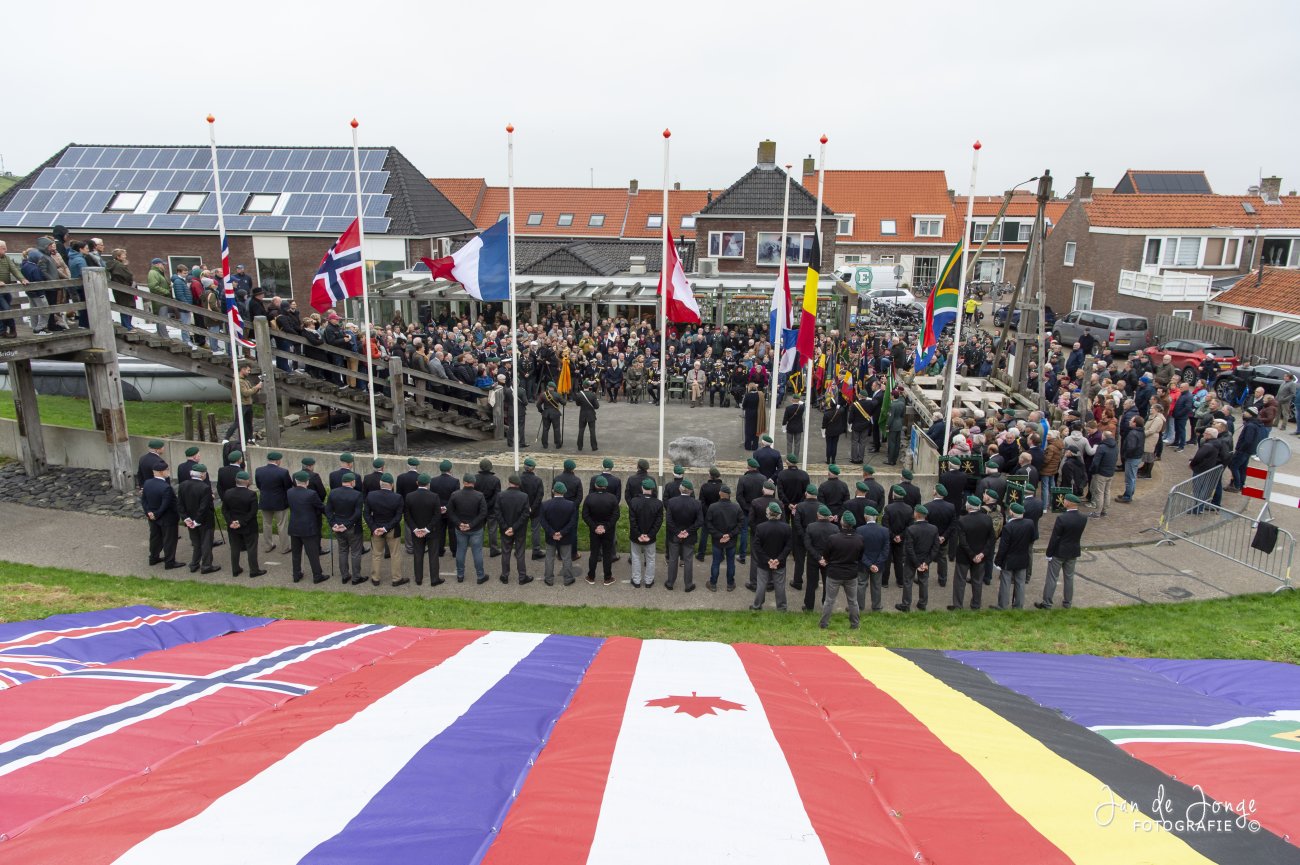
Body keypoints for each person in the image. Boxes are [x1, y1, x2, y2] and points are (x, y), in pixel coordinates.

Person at [1036, 493, 1087, 610]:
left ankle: (1047, 603)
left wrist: (1049, 553)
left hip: (1059, 552)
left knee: (1052, 577)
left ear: (1068, 503)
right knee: (1069, 578)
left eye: (1065, 500)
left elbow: (1055, 538)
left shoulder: (1062, 518)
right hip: (1073, 551)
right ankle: (1068, 602)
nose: (1063, 502)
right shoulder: (1083, 518)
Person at [819, 511, 865, 630]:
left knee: (829, 601)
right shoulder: (860, 539)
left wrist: (828, 560)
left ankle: (824, 624)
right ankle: (855, 624)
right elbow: (860, 556)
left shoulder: (833, 538)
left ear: (842, 522)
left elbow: (826, 555)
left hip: (834, 574)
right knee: (853, 601)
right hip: (851, 574)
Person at [949, 496, 992, 611]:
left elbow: (963, 542)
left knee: (960, 581)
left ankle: (958, 605)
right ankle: (976, 605)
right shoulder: (987, 519)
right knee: (977, 581)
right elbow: (991, 539)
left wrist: (972, 555)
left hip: (964, 556)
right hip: (981, 556)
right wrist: (982, 554)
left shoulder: (962, 520)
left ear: (968, 506)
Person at [750, 502, 793, 612]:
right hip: (780, 563)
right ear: (779, 514)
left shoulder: (760, 528)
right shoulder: (787, 528)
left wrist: (767, 560)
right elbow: (788, 547)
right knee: (780, 586)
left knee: (761, 585)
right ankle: (782, 608)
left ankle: (757, 606)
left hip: (764, 563)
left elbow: (756, 546)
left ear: (768, 513)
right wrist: (778, 559)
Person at [287, 471, 328, 584]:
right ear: (307, 482)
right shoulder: (311, 494)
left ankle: (296, 574)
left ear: (296, 481)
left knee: (296, 553)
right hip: (308, 528)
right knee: (312, 553)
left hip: (294, 527)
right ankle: (317, 575)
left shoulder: (289, 492)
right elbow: (320, 507)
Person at [178, 464, 220, 575]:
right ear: (202, 475)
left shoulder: (182, 485)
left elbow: (180, 505)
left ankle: (194, 563)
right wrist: (197, 521)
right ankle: (206, 565)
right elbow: (204, 507)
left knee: (196, 543)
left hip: (190, 521)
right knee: (206, 543)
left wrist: (186, 519)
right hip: (204, 521)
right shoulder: (204, 488)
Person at [365, 473, 406, 586]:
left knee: (376, 554)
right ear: (392, 485)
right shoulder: (397, 497)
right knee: (395, 554)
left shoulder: (371, 495)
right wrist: (386, 528)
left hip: (376, 529)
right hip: (392, 529)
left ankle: (375, 578)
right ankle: (396, 579)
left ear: (380, 484)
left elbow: (366, 514)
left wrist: (374, 528)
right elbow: (398, 517)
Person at [222, 471, 265, 578]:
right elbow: (252, 512)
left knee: (235, 548)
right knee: (251, 548)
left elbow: (224, 510)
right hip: (248, 526)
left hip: (232, 526)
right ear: (246, 482)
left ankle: (235, 569)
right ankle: (254, 570)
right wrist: (241, 522)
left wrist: (231, 521)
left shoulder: (228, 493)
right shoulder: (251, 494)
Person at [994, 502, 1036, 610]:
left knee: (1005, 583)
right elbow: (1032, 538)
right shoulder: (1030, 523)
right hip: (1023, 558)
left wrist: (998, 561)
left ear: (1012, 512)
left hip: (1009, 560)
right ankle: (1018, 606)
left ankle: (1002, 606)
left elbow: (1003, 547)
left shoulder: (1008, 527)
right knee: (1020, 583)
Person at [326, 472, 365, 585]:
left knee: (342, 551)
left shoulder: (333, 493)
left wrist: (333, 524)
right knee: (355, 552)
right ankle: (356, 577)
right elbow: (357, 514)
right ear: (352, 482)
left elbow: (328, 510)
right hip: (353, 528)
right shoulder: (357, 495)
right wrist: (347, 525)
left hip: (338, 527)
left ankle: (345, 575)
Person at [447, 474, 488, 584]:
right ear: (473, 483)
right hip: (476, 529)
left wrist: (459, 523)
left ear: (464, 482)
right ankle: (480, 576)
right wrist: (471, 524)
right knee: (477, 552)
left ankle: (460, 575)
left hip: (460, 529)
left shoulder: (455, 495)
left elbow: (450, 511)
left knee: (460, 550)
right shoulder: (479, 495)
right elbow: (483, 513)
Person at [142, 460, 183, 569]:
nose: (168, 471)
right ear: (161, 472)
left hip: (152, 517)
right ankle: (170, 562)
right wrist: (157, 513)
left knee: (155, 538)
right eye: (167, 470)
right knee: (169, 540)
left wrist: (149, 512)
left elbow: (144, 500)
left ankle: (153, 557)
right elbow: (166, 504)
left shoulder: (147, 483)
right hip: (167, 518)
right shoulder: (166, 487)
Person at [897, 505, 939, 612]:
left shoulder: (911, 529)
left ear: (917, 514)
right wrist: (926, 562)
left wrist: (917, 564)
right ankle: (922, 604)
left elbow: (909, 549)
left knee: (907, 582)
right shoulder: (934, 529)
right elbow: (935, 547)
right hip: (925, 560)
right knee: (924, 582)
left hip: (912, 561)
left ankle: (906, 605)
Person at [404, 474, 443, 587]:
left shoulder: (409, 496)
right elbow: (437, 515)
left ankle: (418, 579)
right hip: (432, 531)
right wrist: (427, 529)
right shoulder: (434, 496)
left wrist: (415, 529)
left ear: (417, 483)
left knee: (418, 554)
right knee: (433, 555)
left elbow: (407, 515)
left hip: (416, 532)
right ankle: (434, 579)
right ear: (428, 484)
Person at [664, 478, 702, 592]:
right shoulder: (696, 503)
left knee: (673, 559)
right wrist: (688, 532)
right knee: (688, 560)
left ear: (680, 489)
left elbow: (669, 521)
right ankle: (688, 584)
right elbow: (700, 521)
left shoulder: (672, 502)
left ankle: (670, 583)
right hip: (689, 537)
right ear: (690, 491)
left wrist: (677, 532)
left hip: (675, 536)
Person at [582, 475, 620, 586]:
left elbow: (585, 515)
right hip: (608, 531)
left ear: (596, 485)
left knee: (594, 553)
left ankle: (591, 576)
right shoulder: (612, 498)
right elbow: (616, 515)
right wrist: (606, 527)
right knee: (607, 554)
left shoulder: (589, 498)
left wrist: (595, 527)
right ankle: (607, 577)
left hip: (594, 531)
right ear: (606, 486)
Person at [627, 477, 664, 588]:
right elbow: (658, 522)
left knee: (636, 557)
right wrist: (650, 535)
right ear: (652, 489)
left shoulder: (634, 501)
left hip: (636, 537)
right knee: (651, 559)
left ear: (642, 488)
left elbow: (632, 520)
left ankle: (636, 580)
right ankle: (648, 581)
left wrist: (639, 534)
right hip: (650, 538)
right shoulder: (658, 503)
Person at [497, 474, 533, 585]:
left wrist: (506, 528)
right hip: (519, 530)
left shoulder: (501, 495)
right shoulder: (524, 496)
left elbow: (498, 513)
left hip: (505, 530)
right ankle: (522, 577)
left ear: (509, 482)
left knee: (506, 552)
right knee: (520, 553)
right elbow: (525, 514)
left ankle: (504, 576)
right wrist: (514, 527)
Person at [705, 484, 742, 591]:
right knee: (731, 562)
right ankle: (730, 584)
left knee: (716, 561)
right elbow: (740, 524)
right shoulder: (736, 507)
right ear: (729, 495)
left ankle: (713, 584)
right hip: (731, 540)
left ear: (720, 494)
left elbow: (708, 524)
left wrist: (720, 535)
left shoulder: (713, 507)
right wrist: (729, 535)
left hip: (717, 540)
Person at [540, 481, 578, 586]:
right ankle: (568, 578)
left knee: (549, 558)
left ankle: (548, 579)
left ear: (553, 491)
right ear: (564, 492)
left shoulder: (545, 504)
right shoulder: (571, 505)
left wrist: (552, 533)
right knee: (566, 558)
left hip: (550, 537)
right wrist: (561, 533)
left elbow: (543, 521)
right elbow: (572, 522)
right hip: (565, 537)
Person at [254, 452, 293, 552]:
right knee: (282, 525)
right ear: (278, 460)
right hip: (280, 502)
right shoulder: (283, 472)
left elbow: (259, 485)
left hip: (265, 501)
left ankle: (268, 545)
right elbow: (288, 486)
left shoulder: (259, 471)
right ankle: (284, 547)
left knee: (266, 524)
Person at [855, 506, 889, 612]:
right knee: (877, 585)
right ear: (876, 517)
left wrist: (869, 564)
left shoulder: (859, 530)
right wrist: (877, 564)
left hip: (863, 564)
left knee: (861, 584)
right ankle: (876, 606)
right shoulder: (884, 530)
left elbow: (859, 550)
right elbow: (885, 550)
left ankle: (859, 606)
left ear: (865, 517)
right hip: (878, 565)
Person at [1227, 406, 1268, 493]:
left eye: (1246, 412)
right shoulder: (1256, 424)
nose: (1243, 413)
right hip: (1249, 450)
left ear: (1251, 414)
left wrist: (1240, 449)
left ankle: (1236, 485)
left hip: (1243, 450)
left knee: (1233, 466)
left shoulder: (1250, 426)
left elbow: (1247, 440)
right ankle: (1241, 485)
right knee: (1242, 468)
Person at [925, 486, 956, 589]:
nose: (932, 490)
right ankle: (942, 579)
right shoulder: (951, 507)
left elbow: (926, 524)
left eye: (933, 489)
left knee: (927, 556)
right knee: (942, 558)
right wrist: (943, 536)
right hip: (943, 539)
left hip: (930, 538)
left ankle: (924, 577)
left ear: (935, 492)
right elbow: (952, 524)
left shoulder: (927, 506)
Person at [430, 459, 460, 560]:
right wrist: (446, 507)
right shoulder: (455, 481)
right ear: (450, 469)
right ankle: (455, 551)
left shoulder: (433, 481)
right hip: (450, 510)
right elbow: (455, 497)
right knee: (452, 531)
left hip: (438, 510)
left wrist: (440, 507)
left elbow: (433, 496)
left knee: (440, 531)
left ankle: (440, 550)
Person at [474, 458, 502, 558]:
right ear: (490, 468)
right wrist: (488, 505)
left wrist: (481, 505)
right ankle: (493, 549)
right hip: (491, 509)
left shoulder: (475, 478)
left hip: (479, 508)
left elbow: (473, 494)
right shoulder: (496, 480)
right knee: (492, 530)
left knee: (479, 530)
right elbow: (497, 496)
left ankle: (477, 549)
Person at [518, 458, 545, 561]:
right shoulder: (538, 480)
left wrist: (525, 507)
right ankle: (536, 551)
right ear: (533, 468)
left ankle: (519, 551)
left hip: (522, 509)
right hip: (535, 510)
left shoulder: (519, 479)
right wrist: (532, 508)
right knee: (535, 530)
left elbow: (518, 495)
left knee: (521, 530)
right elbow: (539, 496)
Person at [1115, 414, 1145, 503]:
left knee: (1129, 478)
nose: (1129, 421)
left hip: (1132, 458)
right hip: (1137, 456)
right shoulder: (1141, 431)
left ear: (1135, 423)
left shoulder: (1133, 433)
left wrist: (1126, 455)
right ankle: (1128, 493)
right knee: (1132, 477)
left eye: (1131, 420)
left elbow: (1131, 447)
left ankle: (1127, 496)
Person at [849, 389, 874, 463]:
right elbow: (871, 413)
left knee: (854, 442)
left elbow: (851, 417)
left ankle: (854, 458)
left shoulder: (854, 405)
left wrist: (849, 422)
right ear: (866, 397)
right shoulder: (870, 403)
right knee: (863, 442)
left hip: (856, 426)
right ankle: (861, 458)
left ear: (860, 395)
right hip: (865, 426)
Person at [574, 379, 600, 451]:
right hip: (591, 415)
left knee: (581, 431)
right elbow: (597, 406)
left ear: (582, 386)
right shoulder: (593, 395)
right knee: (592, 431)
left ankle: (580, 446)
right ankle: (594, 447)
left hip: (582, 414)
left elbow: (577, 404)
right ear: (589, 386)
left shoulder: (579, 395)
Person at [537, 382, 564, 449]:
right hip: (555, 414)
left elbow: (538, 404)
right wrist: (565, 396)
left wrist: (542, 411)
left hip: (546, 414)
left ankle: (545, 445)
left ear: (548, 387)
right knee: (556, 429)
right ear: (554, 387)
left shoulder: (543, 395)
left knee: (545, 429)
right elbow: (564, 403)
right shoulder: (558, 394)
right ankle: (558, 444)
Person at [822, 394, 847, 464]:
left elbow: (823, 425)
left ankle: (828, 460)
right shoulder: (839, 411)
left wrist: (823, 431)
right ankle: (833, 460)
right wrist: (838, 406)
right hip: (837, 431)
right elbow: (843, 408)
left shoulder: (826, 414)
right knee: (834, 445)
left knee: (829, 445)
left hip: (829, 431)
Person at [885, 389, 907, 465]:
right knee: (897, 443)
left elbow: (891, 417)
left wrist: (887, 426)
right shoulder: (902, 403)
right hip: (899, 424)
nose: (890, 396)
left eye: (891, 395)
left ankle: (890, 460)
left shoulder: (892, 405)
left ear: (893, 396)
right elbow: (903, 415)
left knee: (891, 443)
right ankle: (895, 459)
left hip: (893, 426)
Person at [782, 391, 805, 456]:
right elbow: (804, 404)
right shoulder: (801, 408)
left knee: (789, 443)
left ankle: (789, 457)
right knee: (797, 444)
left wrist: (784, 428)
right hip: (798, 428)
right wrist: (800, 402)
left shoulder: (788, 408)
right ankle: (796, 457)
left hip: (790, 428)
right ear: (799, 400)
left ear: (792, 400)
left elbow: (785, 419)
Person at [741, 382, 761, 450]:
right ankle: (755, 445)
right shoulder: (759, 395)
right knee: (756, 429)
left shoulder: (747, 395)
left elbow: (744, 405)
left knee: (748, 430)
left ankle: (748, 446)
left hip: (749, 414)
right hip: (757, 413)